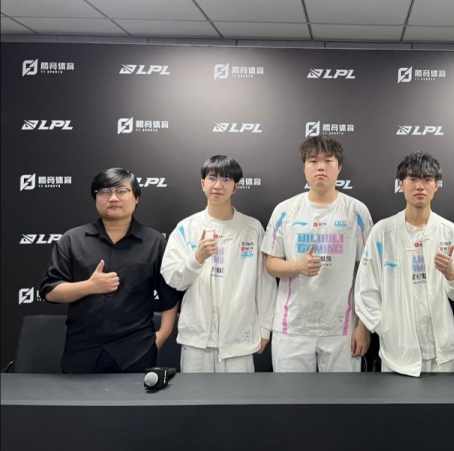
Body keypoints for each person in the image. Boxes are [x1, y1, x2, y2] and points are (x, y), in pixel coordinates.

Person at [40, 168, 179, 374]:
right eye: (104, 192)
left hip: (136, 351)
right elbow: (50, 292)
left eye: (122, 191)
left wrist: (162, 335)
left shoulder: (154, 241)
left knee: (136, 397)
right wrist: (90, 286)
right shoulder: (72, 240)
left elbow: (170, 295)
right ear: (95, 198)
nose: (113, 198)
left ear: (136, 198)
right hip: (81, 351)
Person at [261, 135, 373, 372]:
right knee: (290, 395)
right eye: (313, 161)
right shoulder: (285, 210)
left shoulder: (357, 212)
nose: (320, 167)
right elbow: (271, 263)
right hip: (292, 327)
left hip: (341, 328)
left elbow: (368, 273)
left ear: (339, 167)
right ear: (304, 167)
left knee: (342, 395)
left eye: (328, 161)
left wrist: (363, 325)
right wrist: (297, 266)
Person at [355, 151, 454, 377]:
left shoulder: (450, 233)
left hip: (441, 352)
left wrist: (451, 275)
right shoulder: (383, 232)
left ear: (437, 185)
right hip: (397, 351)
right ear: (400, 184)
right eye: (412, 179)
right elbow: (366, 288)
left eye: (427, 179)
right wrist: (386, 328)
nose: (420, 186)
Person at [161, 156, 276, 373]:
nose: (218, 185)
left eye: (226, 179)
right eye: (212, 178)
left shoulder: (252, 228)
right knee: (196, 395)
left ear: (236, 187)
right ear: (202, 183)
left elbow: (265, 283)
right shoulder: (187, 227)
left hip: (238, 339)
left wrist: (264, 329)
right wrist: (196, 258)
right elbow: (174, 280)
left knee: (239, 395)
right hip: (197, 340)